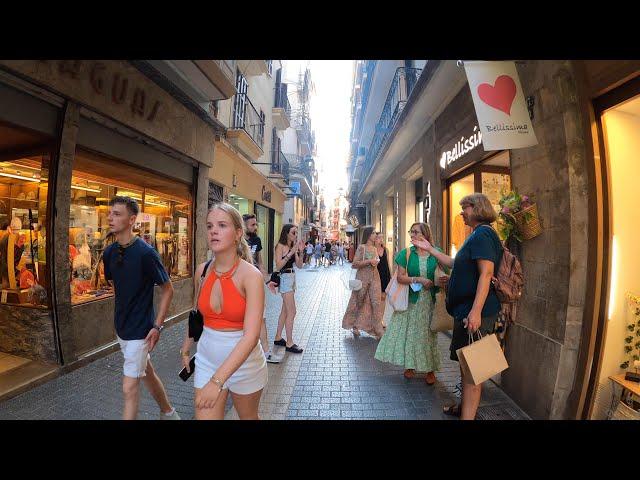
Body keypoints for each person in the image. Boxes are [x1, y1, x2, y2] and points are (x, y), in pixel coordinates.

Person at [413, 193, 502, 420]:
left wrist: (475, 311)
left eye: (466, 207)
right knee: (467, 366)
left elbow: (486, 273)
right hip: (466, 311)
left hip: (474, 313)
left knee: (474, 372)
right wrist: (430, 248)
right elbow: (454, 263)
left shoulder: (482, 235)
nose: (462, 212)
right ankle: (464, 409)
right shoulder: (475, 235)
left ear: (478, 208)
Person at [180, 203, 267, 420]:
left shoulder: (251, 276)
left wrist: (216, 382)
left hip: (245, 364)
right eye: (209, 226)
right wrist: (187, 344)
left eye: (221, 225)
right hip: (207, 360)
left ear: (238, 233)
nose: (213, 231)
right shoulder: (202, 270)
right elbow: (197, 313)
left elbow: (251, 336)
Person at [103, 196, 179, 420]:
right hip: (122, 329)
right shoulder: (109, 253)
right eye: (110, 213)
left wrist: (157, 326)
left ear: (132, 219)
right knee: (147, 372)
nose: (110, 218)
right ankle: (169, 412)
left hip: (141, 332)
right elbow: (117, 288)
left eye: (117, 214)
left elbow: (168, 289)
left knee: (129, 388)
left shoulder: (146, 253)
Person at [374, 222, 443, 385]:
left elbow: (444, 273)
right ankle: (410, 365)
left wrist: (441, 280)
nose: (412, 235)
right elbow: (400, 277)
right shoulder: (406, 254)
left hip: (430, 301)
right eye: (411, 232)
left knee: (428, 334)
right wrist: (417, 279)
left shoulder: (436, 253)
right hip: (411, 300)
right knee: (411, 334)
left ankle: (430, 369)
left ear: (425, 234)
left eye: (416, 232)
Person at [243, 213, 279, 364]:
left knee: (261, 318)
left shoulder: (256, 240)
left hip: (255, 284)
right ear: (243, 225)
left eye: (256, 224)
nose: (256, 227)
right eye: (252, 224)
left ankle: (266, 352)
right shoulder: (236, 240)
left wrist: (267, 280)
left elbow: (260, 263)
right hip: (240, 285)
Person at [342, 226, 385, 340]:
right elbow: (354, 264)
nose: (375, 235)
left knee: (376, 303)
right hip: (362, 278)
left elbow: (379, 259)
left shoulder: (375, 249)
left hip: (375, 277)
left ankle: (378, 329)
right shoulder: (362, 247)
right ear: (368, 235)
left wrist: (376, 261)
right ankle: (354, 325)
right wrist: (369, 261)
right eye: (374, 233)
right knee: (358, 301)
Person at [272, 224, 305, 354]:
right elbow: (278, 265)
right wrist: (290, 253)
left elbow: (300, 265)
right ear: (286, 233)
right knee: (292, 311)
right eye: (293, 232)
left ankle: (278, 337)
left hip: (292, 278)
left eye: (296, 233)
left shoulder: (292, 247)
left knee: (285, 311)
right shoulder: (280, 246)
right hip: (285, 278)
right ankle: (289, 343)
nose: (295, 235)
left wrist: (300, 251)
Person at [375, 232, 392, 310]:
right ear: (375, 239)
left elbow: (388, 264)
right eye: (379, 238)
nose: (381, 239)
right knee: (375, 298)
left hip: (385, 276)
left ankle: (381, 319)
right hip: (376, 276)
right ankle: (376, 318)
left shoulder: (386, 250)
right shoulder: (372, 250)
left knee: (383, 298)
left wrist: (390, 277)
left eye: (382, 237)